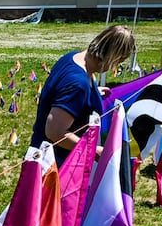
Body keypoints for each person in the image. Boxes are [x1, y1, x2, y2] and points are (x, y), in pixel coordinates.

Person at [31, 24, 137, 164]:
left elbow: (62, 93)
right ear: (112, 56)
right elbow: (54, 132)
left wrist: (92, 94)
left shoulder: (73, 57)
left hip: (45, 155)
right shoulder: (78, 85)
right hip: (53, 165)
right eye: (117, 61)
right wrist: (92, 150)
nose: (114, 66)